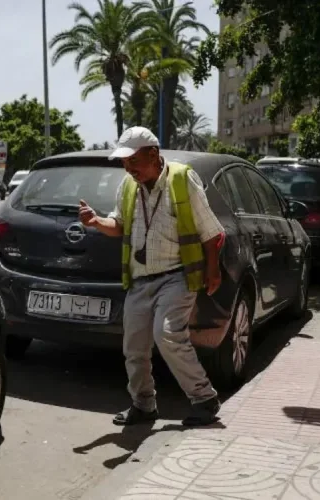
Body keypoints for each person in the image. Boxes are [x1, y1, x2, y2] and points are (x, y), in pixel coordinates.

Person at [78, 126, 225, 427]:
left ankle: (204, 399)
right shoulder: (128, 186)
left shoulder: (183, 180)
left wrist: (213, 270)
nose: (128, 168)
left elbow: (211, 232)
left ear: (154, 154)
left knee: (167, 333)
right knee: (134, 346)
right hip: (141, 279)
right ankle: (143, 405)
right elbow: (118, 225)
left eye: (133, 161)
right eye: (124, 162)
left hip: (176, 276)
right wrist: (96, 222)